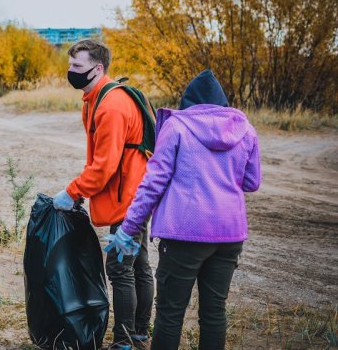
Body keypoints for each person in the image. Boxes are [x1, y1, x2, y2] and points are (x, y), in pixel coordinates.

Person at [106, 70, 262, 350]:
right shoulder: (245, 130)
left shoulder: (177, 127)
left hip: (184, 234)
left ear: (188, 101)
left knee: (170, 314)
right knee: (214, 312)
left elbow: (153, 182)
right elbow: (252, 182)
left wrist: (128, 230)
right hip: (229, 234)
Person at [53, 39, 154, 350]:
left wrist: (73, 192)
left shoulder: (110, 105)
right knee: (138, 263)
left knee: (121, 267)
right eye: (70, 65)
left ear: (98, 69)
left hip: (130, 196)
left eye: (78, 67)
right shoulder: (97, 96)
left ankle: (125, 341)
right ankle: (138, 332)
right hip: (135, 191)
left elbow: (105, 166)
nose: (71, 72)